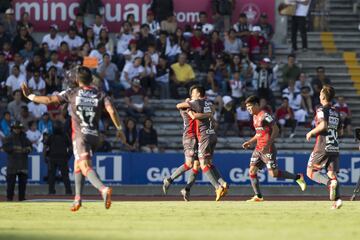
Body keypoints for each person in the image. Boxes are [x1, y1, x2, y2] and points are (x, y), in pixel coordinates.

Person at [21, 65, 127, 211]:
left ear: (77, 80)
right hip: (95, 136)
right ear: (91, 79)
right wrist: (119, 129)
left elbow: (49, 100)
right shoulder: (100, 93)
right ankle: (77, 199)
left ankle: (103, 189)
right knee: (78, 164)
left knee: (85, 166)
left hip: (80, 136)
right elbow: (111, 110)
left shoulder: (72, 92)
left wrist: (30, 96)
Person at [166, 85, 228, 201]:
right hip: (209, 135)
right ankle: (221, 183)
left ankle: (217, 187)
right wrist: (209, 115)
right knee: (200, 164)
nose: (191, 95)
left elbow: (181, 107)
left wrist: (189, 105)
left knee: (201, 164)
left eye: (193, 93)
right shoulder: (208, 104)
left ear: (198, 94)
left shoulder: (195, 103)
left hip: (201, 137)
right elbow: (213, 118)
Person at [242, 95, 306, 202]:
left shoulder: (265, 115)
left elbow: (276, 130)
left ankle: (298, 177)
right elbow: (259, 133)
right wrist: (250, 142)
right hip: (258, 149)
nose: (248, 108)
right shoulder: (254, 117)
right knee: (252, 171)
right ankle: (258, 196)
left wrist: (268, 145)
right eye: (247, 106)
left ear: (257, 105)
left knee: (273, 174)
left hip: (268, 149)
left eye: (250, 106)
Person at [305, 85, 343, 209]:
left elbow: (323, 126)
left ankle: (329, 184)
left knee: (310, 173)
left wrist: (311, 132)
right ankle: (337, 201)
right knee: (332, 173)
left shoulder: (321, 110)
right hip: (334, 146)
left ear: (322, 96)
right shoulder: (336, 112)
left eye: (321, 92)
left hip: (322, 146)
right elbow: (341, 132)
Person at [3, 121, 32, 201]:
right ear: (12, 129)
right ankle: (9, 198)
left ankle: (22, 198)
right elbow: (6, 148)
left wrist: (26, 149)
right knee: (11, 184)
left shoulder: (25, 138)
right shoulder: (8, 138)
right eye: (15, 128)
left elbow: (30, 147)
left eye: (18, 128)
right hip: (12, 164)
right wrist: (17, 149)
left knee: (22, 184)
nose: (17, 130)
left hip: (23, 164)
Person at [44, 122, 72, 195]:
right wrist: (68, 156)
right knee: (64, 176)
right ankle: (68, 191)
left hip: (54, 157)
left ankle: (51, 191)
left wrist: (45, 157)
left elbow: (45, 147)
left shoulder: (52, 136)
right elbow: (70, 147)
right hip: (61, 158)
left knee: (52, 176)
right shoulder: (64, 136)